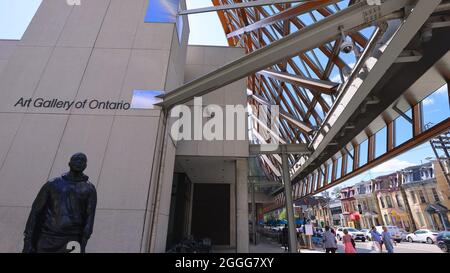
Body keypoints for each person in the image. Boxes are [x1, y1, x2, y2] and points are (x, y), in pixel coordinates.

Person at [22, 153, 97, 253]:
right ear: (69, 163)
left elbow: (89, 218)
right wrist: (28, 241)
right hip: (47, 238)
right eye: (76, 159)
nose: (79, 162)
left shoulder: (89, 189)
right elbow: (35, 212)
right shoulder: (52, 184)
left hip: (72, 239)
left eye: (82, 161)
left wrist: (83, 244)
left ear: (85, 166)